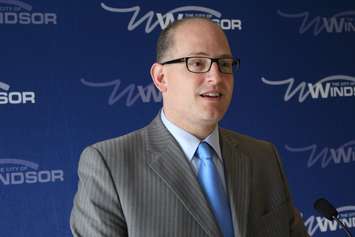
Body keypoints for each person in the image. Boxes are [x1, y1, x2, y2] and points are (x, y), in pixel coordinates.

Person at [70, 17, 309, 237]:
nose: (216, 77)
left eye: (224, 64)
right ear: (161, 77)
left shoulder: (264, 157)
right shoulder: (109, 164)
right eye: (197, 63)